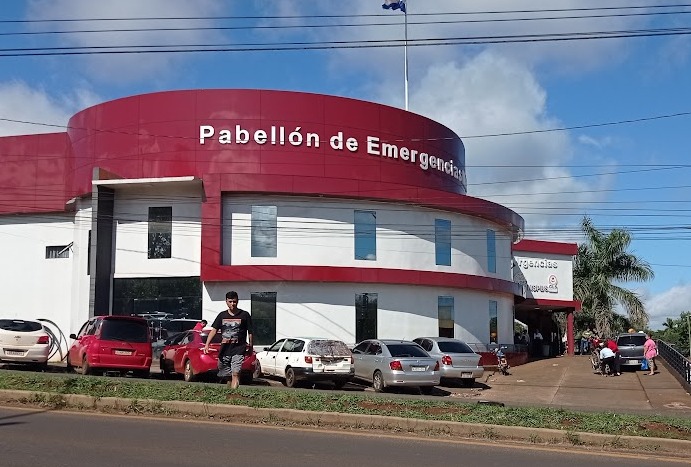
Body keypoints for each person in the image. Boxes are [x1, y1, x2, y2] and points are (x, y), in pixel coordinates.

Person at [204, 291, 254, 389]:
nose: (232, 304)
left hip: (239, 349)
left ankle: (234, 393)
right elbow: (214, 330)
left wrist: (251, 346)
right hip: (225, 349)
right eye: (230, 301)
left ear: (237, 301)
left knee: (236, 372)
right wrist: (207, 344)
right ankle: (230, 384)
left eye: (234, 302)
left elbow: (250, 332)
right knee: (223, 370)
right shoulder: (222, 315)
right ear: (226, 301)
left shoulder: (244, 315)